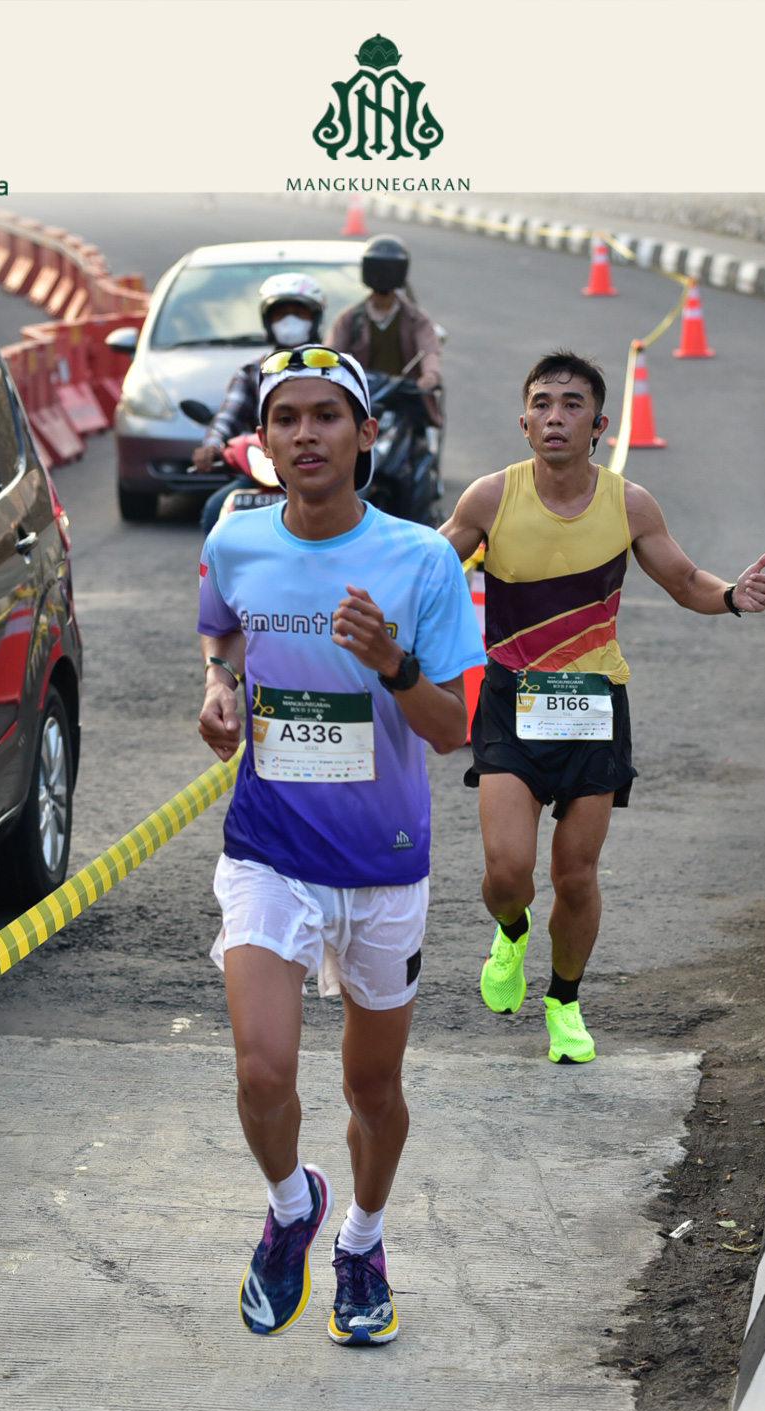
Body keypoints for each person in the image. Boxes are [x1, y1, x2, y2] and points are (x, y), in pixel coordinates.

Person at [197, 345, 485, 1345]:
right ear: (264, 439)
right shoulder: (236, 539)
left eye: (327, 415)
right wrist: (219, 687)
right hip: (268, 848)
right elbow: (223, 633)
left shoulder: (421, 560)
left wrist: (391, 662)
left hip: (382, 862)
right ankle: (292, 1209)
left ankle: (361, 1238)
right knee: (262, 1071)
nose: (305, 434)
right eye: (286, 418)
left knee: (372, 1086)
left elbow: (452, 730)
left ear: (366, 434)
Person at [439, 350, 765, 1065]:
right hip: (510, 699)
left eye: (571, 405)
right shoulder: (490, 498)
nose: (554, 416)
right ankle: (511, 931)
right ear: (523, 421)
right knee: (507, 871)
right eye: (542, 403)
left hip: (594, 707)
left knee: (575, 874)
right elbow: (429, 569)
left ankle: (563, 1002)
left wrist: (729, 596)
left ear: (599, 424)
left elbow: (683, 579)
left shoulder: (630, 504)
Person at [193, 273, 326, 532]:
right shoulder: (252, 372)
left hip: (323, 469)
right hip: (264, 472)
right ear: (267, 321)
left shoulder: (336, 369)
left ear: (315, 318)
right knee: (214, 512)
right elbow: (227, 417)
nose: (289, 320)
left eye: (299, 312)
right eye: (281, 314)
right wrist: (211, 445)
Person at [329, 236, 443, 397]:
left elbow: (429, 350)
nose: (383, 276)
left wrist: (430, 375)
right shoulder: (350, 318)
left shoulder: (416, 318)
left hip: (405, 395)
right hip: (363, 395)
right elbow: (333, 354)